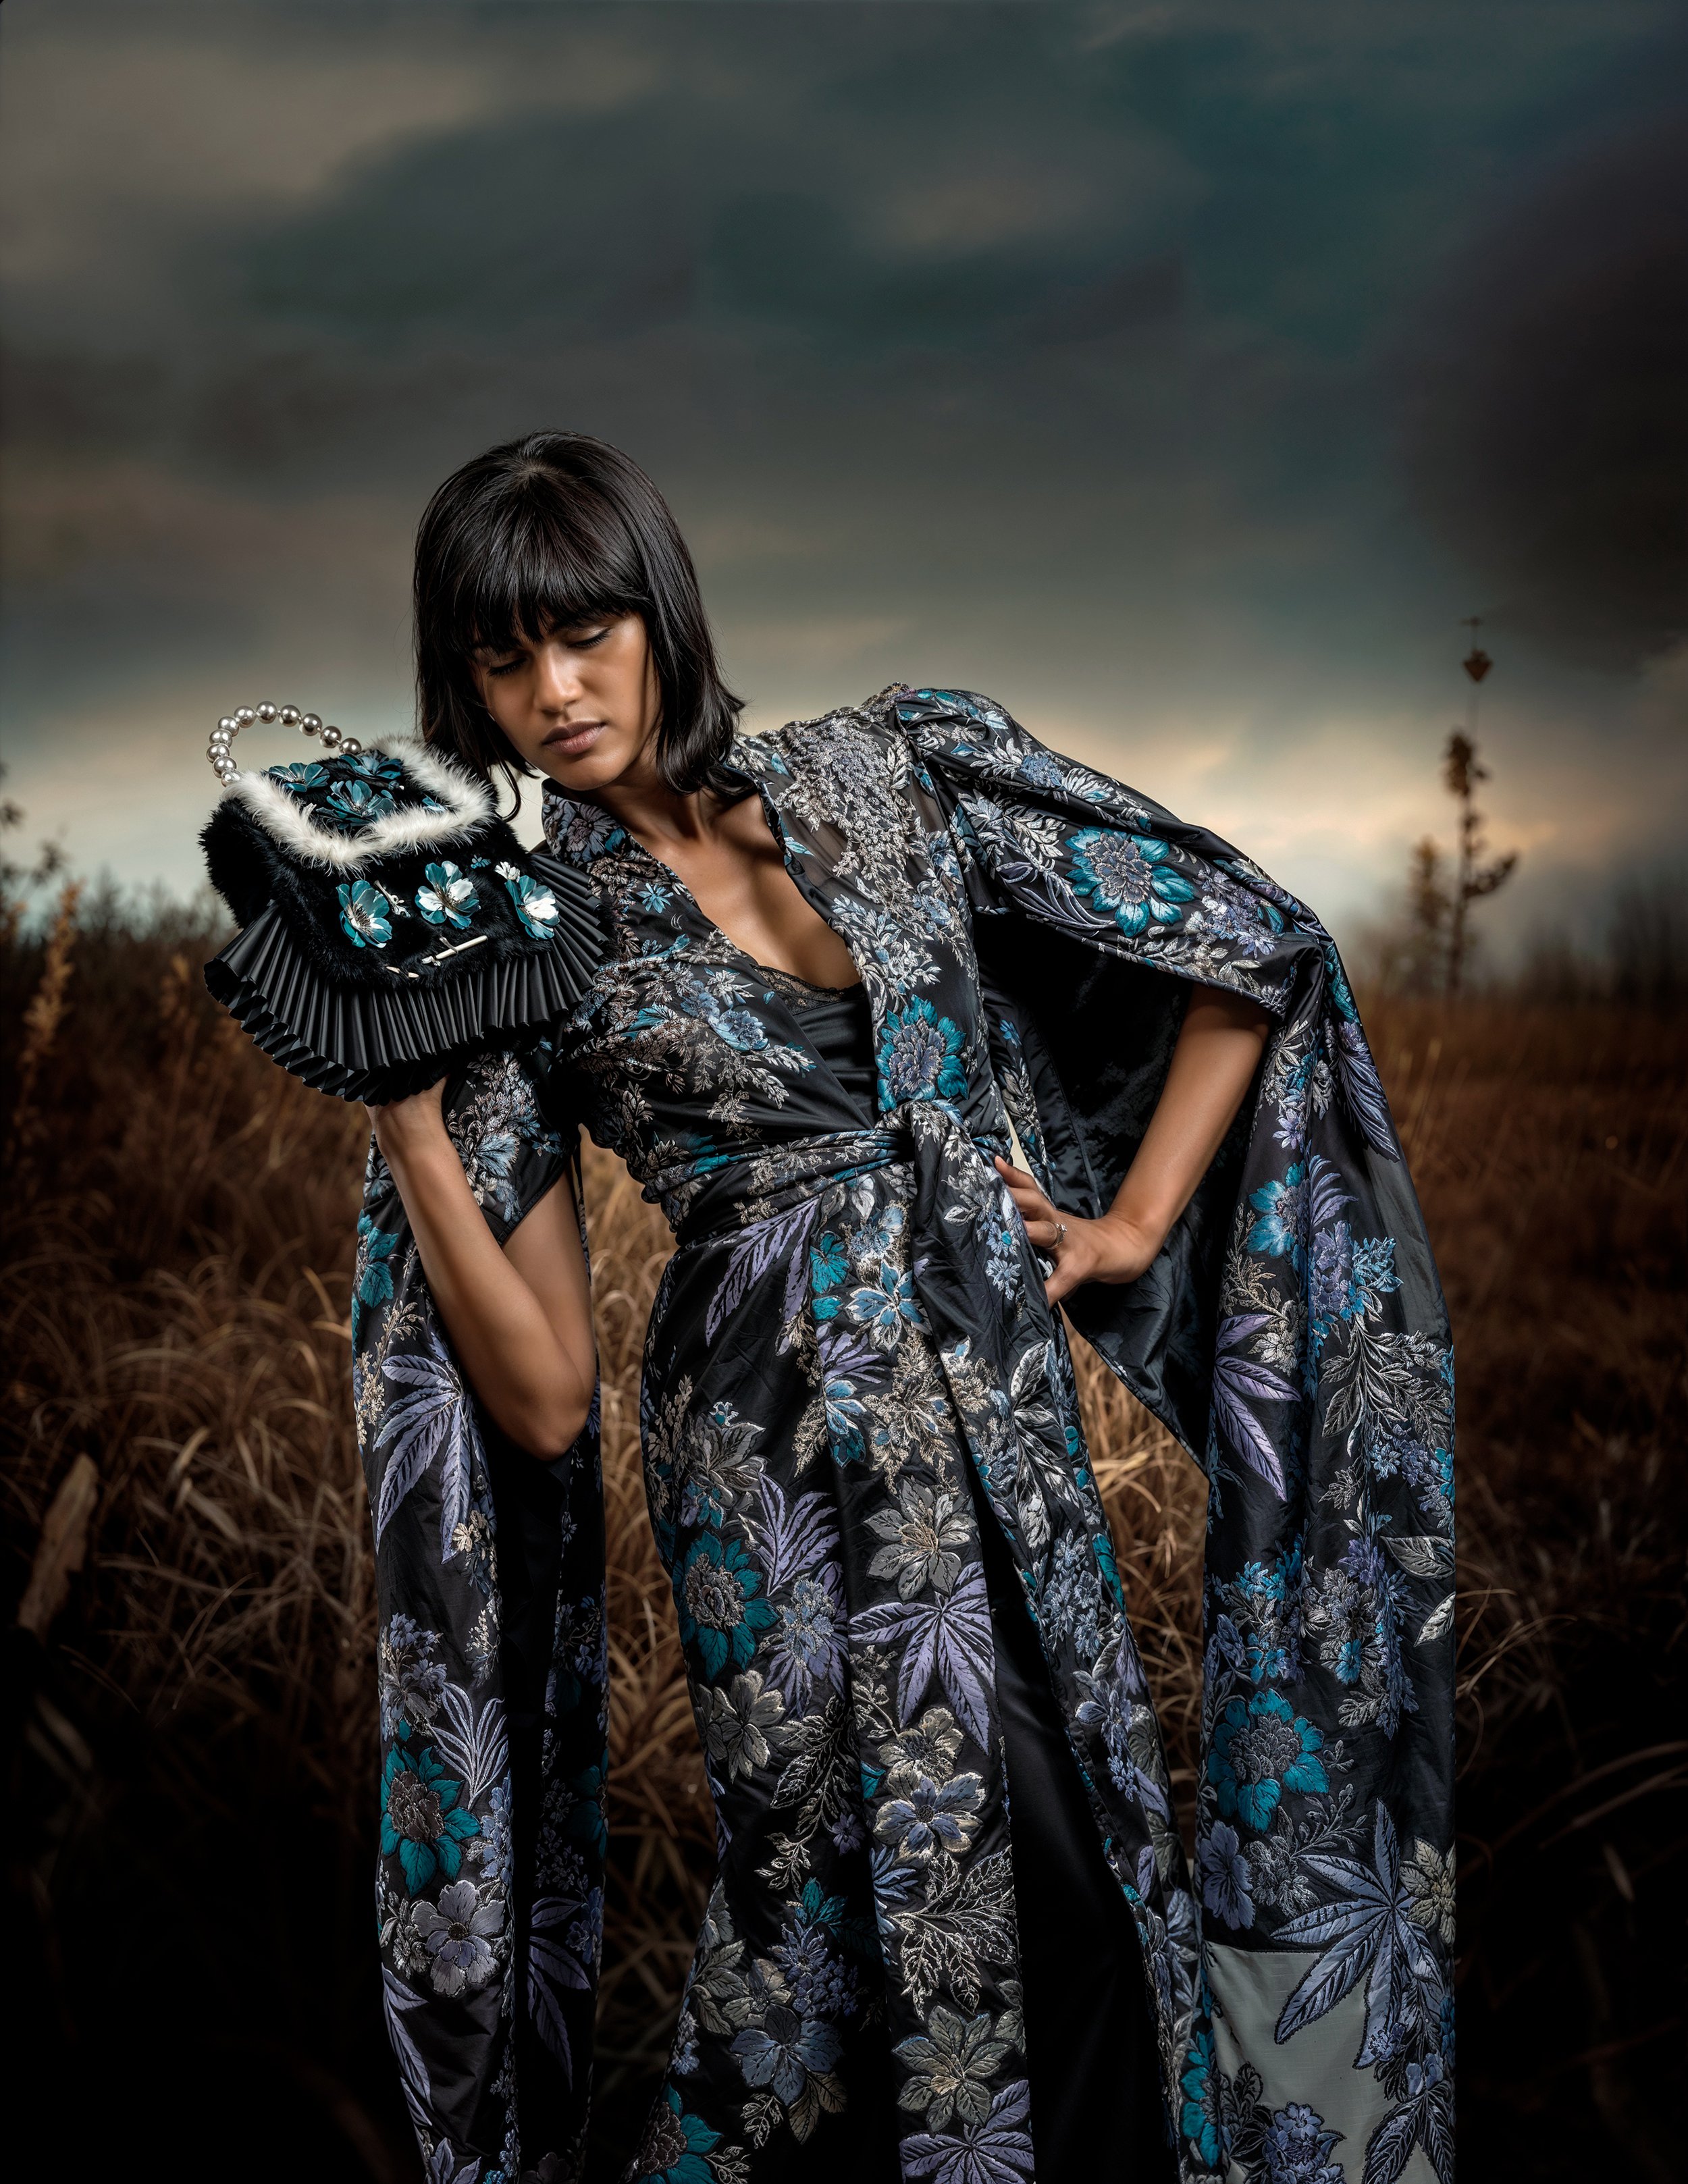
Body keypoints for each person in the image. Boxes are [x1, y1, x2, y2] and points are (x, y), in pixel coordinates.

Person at [354, 433, 1456, 2184]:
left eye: (588, 629)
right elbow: (546, 1396)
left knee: (1086, 1857)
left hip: (999, 1412)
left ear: (662, 607)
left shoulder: (896, 763)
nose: (554, 689)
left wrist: (1126, 1224)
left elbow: (1250, 946)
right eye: (501, 656)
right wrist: (405, 1107)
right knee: (839, 1898)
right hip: (769, 1454)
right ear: (462, 681)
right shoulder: (516, 944)